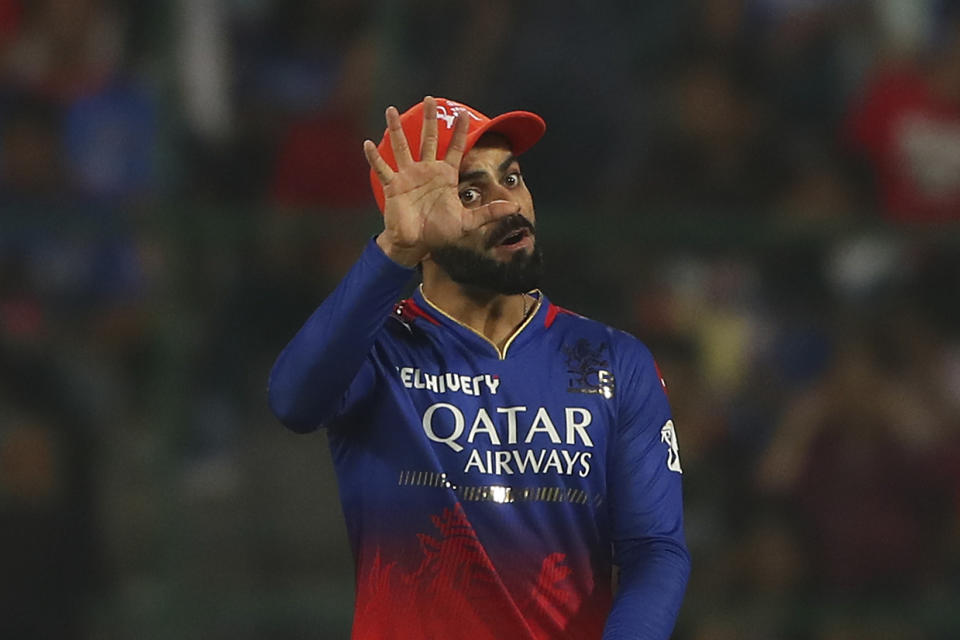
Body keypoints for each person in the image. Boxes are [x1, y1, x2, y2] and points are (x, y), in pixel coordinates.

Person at [268, 96, 690, 639]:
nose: (504, 205)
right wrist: (392, 252)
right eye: (469, 192)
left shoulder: (613, 359)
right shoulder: (377, 347)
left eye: (511, 179)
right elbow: (293, 401)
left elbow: (654, 549)